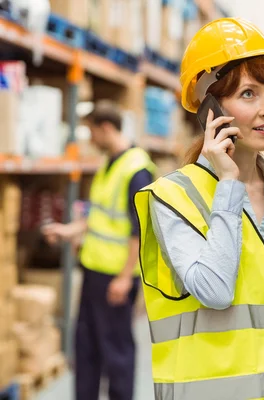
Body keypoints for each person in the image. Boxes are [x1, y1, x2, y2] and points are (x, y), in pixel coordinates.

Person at [133, 17, 264, 400]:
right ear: (210, 108)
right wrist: (228, 184)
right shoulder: (174, 198)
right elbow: (215, 290)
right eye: (248, 94)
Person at [42, 101, 156, 400]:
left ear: (106, 128)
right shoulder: (111, 162)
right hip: (95, 272)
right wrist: (68, 230)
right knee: (86, 346)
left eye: (92, 132)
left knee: (116, 350)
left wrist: (123, 278)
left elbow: (139, 231)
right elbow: (101, 216)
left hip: (115, 278)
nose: (90, 139)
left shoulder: (137, 170)